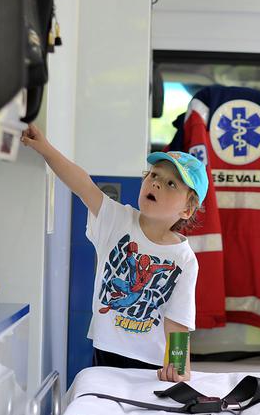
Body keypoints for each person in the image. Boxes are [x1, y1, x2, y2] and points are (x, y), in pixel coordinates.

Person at [22, 124, 208, 381]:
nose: (156, 183)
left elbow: (178, 321)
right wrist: (44, 148)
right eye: (153, 175)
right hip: (106, 350)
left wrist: (178, 365)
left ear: (187, 210)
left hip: (150, 362)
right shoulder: (116, 220)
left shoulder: (184, 259)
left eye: (171, 184)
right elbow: (82, 184)